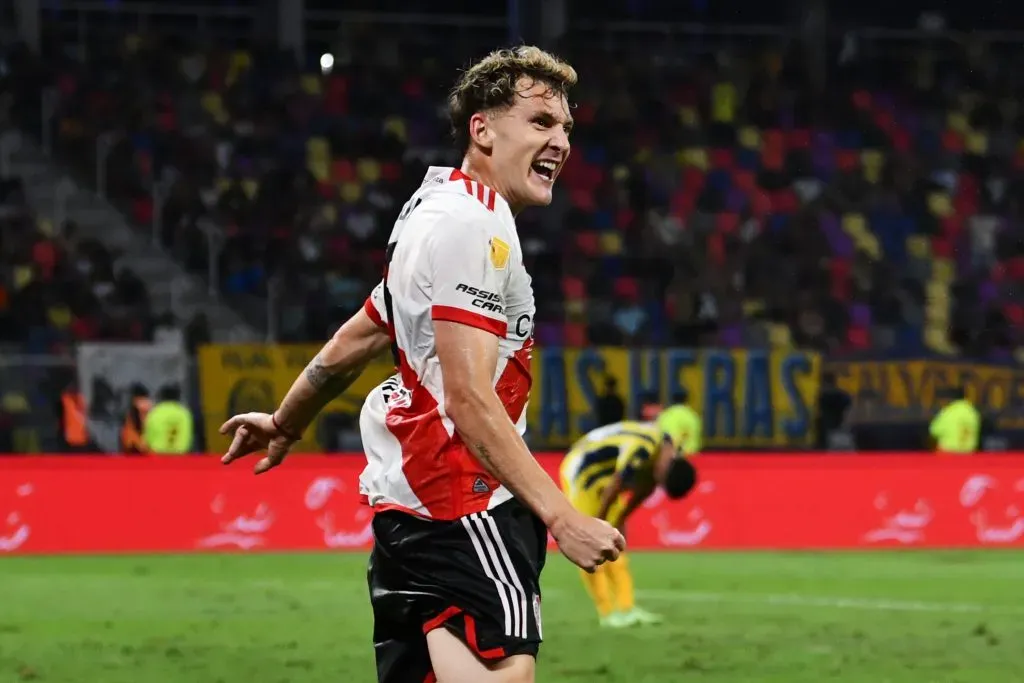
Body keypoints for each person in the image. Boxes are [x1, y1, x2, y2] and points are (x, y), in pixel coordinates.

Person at [218, 46, 625, 683]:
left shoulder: (431, 211)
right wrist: (563, 516)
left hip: (410, 511)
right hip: (467, 504)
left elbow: (362, 334)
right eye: (542, 122)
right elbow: (468, 399)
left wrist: (286, 419)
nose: (561, 141)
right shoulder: (473, 226)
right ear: (483, 129)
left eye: (567, 127)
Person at [559, 420, 697, 627]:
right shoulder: (643, 448)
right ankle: (607, 613)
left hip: (606, 478)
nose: (658, 481)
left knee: (616, 544)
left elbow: (645, 489)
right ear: (667, 466)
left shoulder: (664, 455)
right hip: (581, 471)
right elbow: (618, 482)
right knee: (589, 543)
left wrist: (621, 518)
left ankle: (626, 608)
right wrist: (600, 522)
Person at [928, 386, 980, 454]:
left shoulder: (949, 411)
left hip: (948, 453)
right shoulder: (972, 411)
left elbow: (933, 431)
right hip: (969, 454)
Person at [143, 385, 194, 454]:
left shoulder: (155, 413)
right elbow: (188, 436)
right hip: (180, 456)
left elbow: (148, 438)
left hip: (158, 456)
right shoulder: (184, 413)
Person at [655, 389, 703, 457]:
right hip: (692, 457)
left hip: (670, 457)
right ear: (686, 399)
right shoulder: (693, 415)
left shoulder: (665, 415)